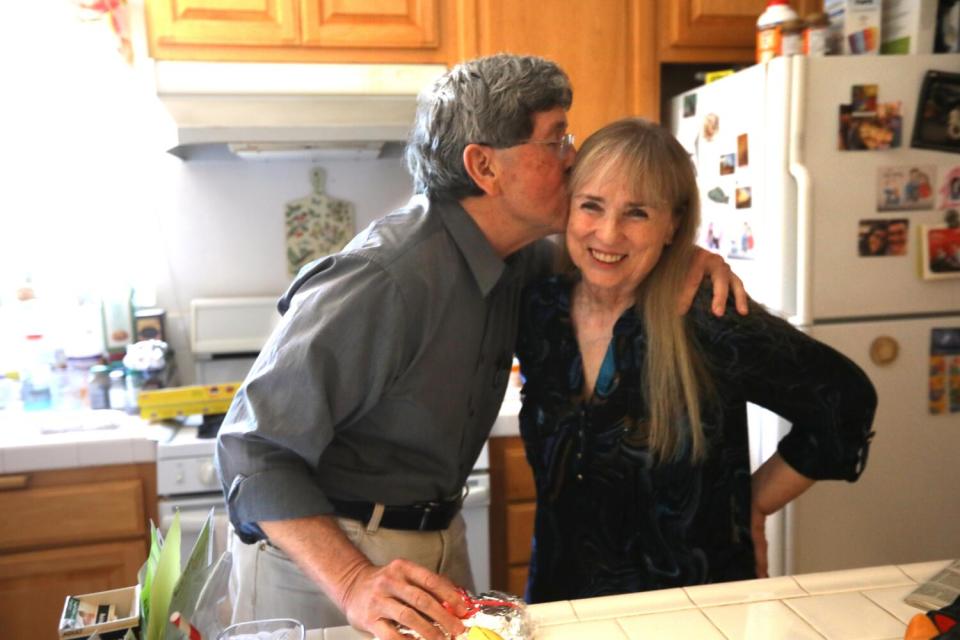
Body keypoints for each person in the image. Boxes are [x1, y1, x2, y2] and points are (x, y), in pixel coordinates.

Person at [216, 55, 747, 640]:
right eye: (556, 140)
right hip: (329, 565)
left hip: (435, 546)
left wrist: (686, 256)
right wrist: (351, 582)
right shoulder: (386, 278)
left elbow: (612, 256)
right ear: (484, 166)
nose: (574, 156)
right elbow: (251, 449)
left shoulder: (514, 256)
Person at [515, 118, 878, 603]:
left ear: (673, 225)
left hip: (695, 609)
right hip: (563, 603)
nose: (608, 233)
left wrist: (755, 503)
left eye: (637, 213)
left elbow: (844, 400)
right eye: (591, 206)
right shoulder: (538, 309)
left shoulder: (707, 317)